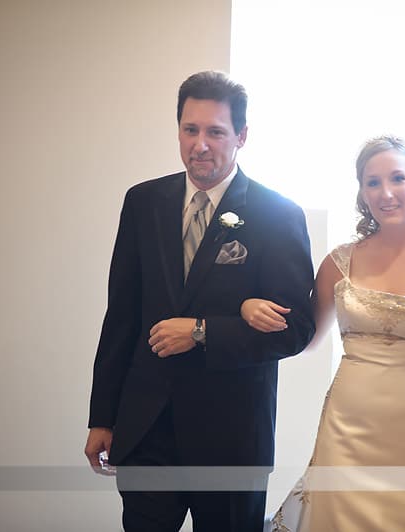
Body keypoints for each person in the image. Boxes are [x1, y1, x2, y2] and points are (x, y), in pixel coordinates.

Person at [84, 71, 316, 532]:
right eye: (190, 130)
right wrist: (103, 417)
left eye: (215, 132)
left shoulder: (278, 214)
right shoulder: (143, 202)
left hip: (231, 437)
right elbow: (122, 317)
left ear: (241, 136)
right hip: (146, 427)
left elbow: (295, 328)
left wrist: (202, 331)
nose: (200, 144)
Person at [242, 135, 405, 531]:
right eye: (372, 182)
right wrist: (247, 307)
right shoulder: (339, 262)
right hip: (351, 426)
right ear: (362, 191)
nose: (386, 193)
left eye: (397, 178)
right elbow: (305, 341)